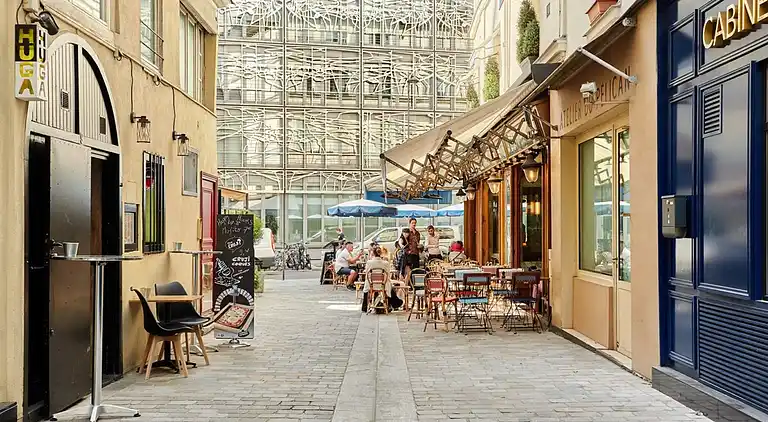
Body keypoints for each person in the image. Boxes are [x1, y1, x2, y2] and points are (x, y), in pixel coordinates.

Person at [362, 246, 403, 312]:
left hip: (371, 285)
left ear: (373, 253)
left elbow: (367, 274)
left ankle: (364, 307)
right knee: (389, 286)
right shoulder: (386, 263)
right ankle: (393, 303)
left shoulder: (369, 263)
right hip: (383, 285)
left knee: (367, 284)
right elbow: (388, 275)